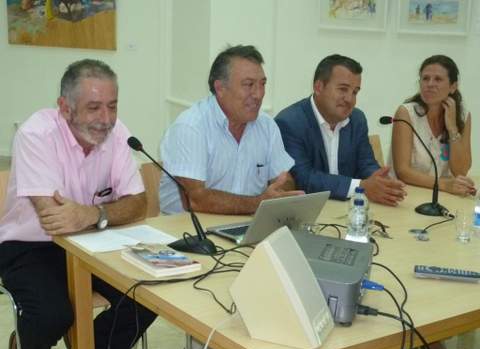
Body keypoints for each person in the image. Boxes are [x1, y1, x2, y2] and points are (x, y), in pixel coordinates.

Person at [0, 59, 156, 349]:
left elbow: (138, 202)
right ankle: (22, 347)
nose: (106, 118)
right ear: (64, 107)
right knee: (51, 315)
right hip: (30, 245)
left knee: (147, 295)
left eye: (112, 106)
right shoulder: (36, 134)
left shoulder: (119, 133)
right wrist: (103, 212)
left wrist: (95, 214)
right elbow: (54, 217)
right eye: (94, 107)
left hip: (95, 239)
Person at [159, 45, 302, 215]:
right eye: (249, 85)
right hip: (188, 231)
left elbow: (284, 179)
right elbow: (195, 199)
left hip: (244, 225)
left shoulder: (267, 125)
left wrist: (280, 191)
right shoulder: (191, 127)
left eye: (262, 84)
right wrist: (259, 203)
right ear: (220, 88)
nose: (258, 94)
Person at [275, 54, 406, 206]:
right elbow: (304, 178)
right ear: (318, 87)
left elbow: (366, 163)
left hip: (348, 211)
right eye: (343, 89)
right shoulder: (290, 122)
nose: (350, 99)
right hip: (311, 211)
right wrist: (361, 187)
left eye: (355, 92)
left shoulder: (357, 119)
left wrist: (380, 181)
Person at [390, 55, 476, 197]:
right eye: (425, 78)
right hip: (407, 195)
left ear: (453, 86)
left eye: (438, 79)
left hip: (444, 197)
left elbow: (461, 171)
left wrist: (452, 128)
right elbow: (403, 172)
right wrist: (444, 184)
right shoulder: (406, 113)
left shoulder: (463, 116)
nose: (430, 84)